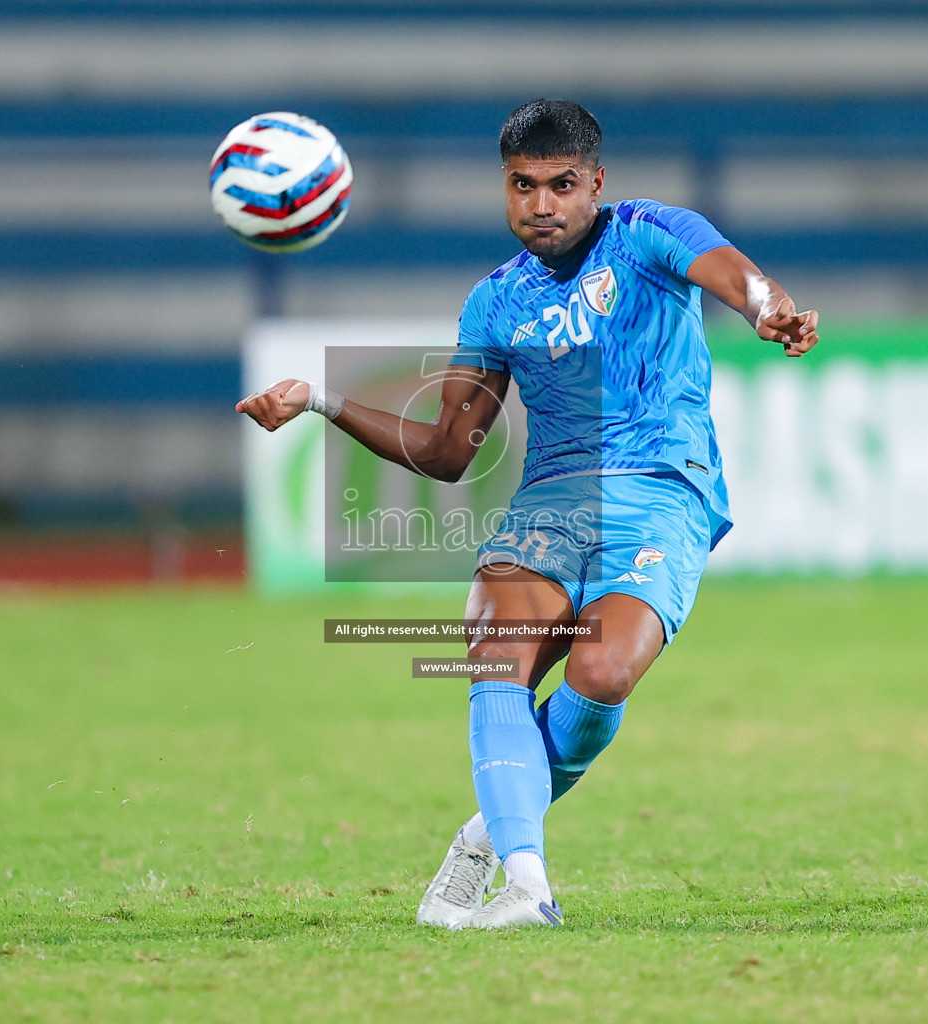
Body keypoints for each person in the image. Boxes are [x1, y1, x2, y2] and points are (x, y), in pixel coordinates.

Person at [237, 98, 819, 929]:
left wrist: (769, 310)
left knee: (603, 673)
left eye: (561, 184)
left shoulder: (651, 231)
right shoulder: (494, 303)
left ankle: (485, 835)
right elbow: (447, 454)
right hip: (551, 500)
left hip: (661, 487)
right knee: (495, 652)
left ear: (596, 184)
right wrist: (321, 401)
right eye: (522, 185)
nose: (541, 204)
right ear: (503, 187)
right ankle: (526, 885)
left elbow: (735, 276)